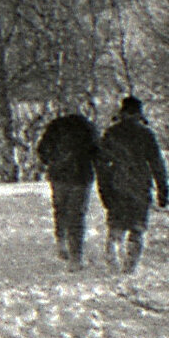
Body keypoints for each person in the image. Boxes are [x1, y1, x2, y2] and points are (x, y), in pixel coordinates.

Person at [95, 96, 169, 273]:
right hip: (140, 186)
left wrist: (104, 190)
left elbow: (101, 165)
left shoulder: (111, 133)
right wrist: (162, 188)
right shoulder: (146, 134)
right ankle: (130, 266)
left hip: (117, 184)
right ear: (139, 113)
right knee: (137, 228)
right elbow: (156, 163)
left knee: (116, 226)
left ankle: (112, 261)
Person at [36, 113, 99, 270]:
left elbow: (41, 150)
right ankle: (75, 257)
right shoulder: (88, 128)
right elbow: (97, 152)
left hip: (59, 176)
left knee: (60, 210)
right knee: (77, 215)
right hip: (81, 176)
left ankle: (61, 241)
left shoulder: (54, 127)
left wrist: (52, 162)